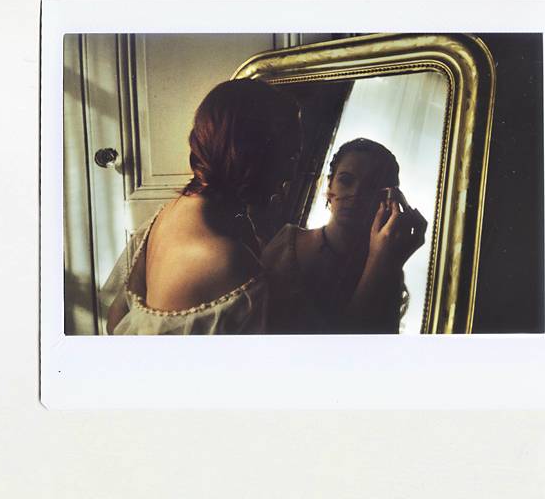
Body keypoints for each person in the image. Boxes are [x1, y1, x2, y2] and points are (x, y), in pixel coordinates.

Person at [104, 79, 301, 335]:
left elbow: (115, 320)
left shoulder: (167, 214)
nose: (290, 173)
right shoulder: (231, 260)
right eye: (289, 157)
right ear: (256, 156)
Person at [261, 138, 427, 334]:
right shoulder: (287, 243)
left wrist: (386, 263)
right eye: (346, 181)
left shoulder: (386, 269)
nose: (356, 194)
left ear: (387, 198)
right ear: (329, 185)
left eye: (371, 186)